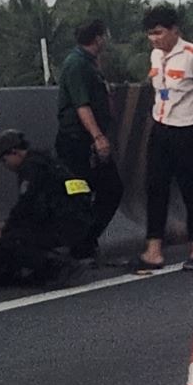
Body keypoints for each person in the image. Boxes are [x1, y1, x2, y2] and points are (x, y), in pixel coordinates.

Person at [133, 5, 193, 274]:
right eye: (150, 34)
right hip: (161, 128)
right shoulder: (155, 57)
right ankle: (154, 249)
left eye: (159, 33)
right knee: (155, 188)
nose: (155, 39)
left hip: (188, 129)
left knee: (190, 190)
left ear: (174, 30)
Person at [0, 129, 95, 286]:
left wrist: (5, 230)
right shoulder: (43, 161)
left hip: (65, 225)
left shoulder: (31, 169)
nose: (4, 165)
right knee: (18, 233)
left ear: (14, 152)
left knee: (13, 241)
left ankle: (59, 266)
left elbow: (26, 208)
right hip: (76, 220)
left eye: (4, 160)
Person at [56, 18, 122, 259]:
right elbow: (81, 105)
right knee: (83, 193)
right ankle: (80, 244)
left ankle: (86, 241)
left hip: (88, 140)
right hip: (78, 141)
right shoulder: (77, 64)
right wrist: (97, 136)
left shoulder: (90, 63)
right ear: (98, 38)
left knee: (109, 188)